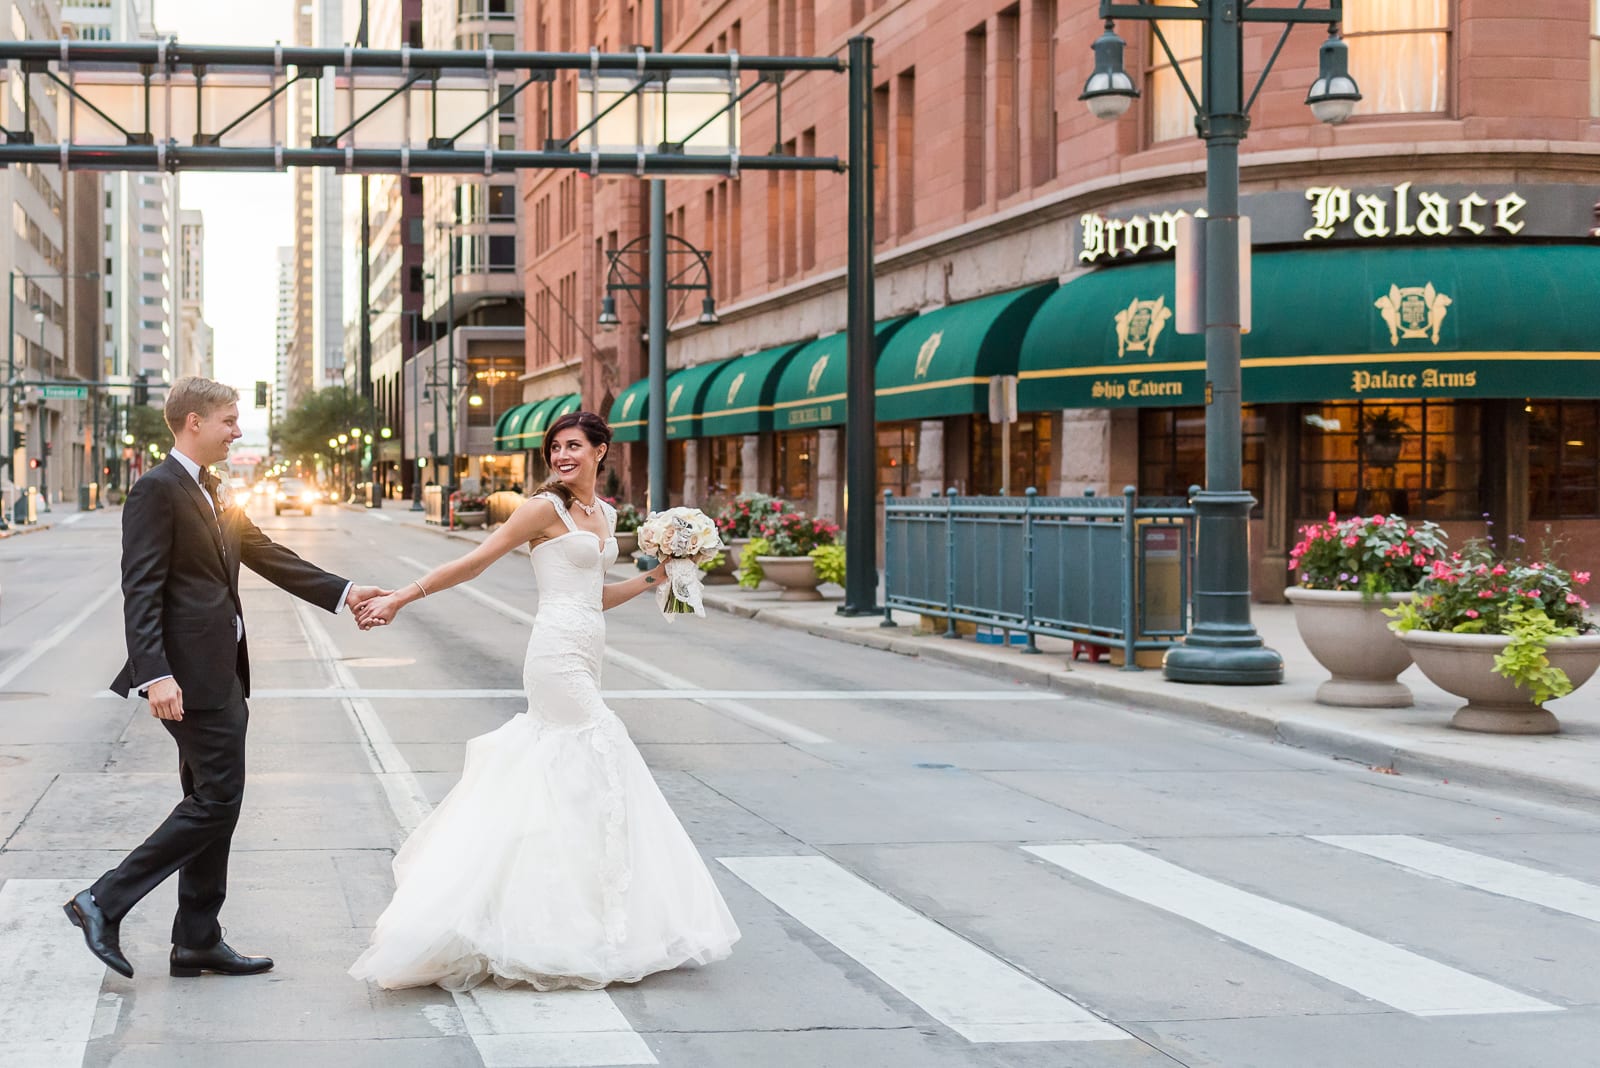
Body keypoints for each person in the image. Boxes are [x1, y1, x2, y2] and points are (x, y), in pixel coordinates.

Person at [348, 411, 740, 991]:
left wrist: (663, 575)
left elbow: (594, 597)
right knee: (602, 745)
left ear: (601, 451)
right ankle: (571, 918)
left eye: (574, 446)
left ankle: (565, 906)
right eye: (556, 447)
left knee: (565, 774)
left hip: (588, 646)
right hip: (554, 655)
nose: (562, 456)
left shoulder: (604, 515)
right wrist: (402, 597)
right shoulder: (542, 509)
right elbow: (475, 561)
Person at [66, 376, 387, 980]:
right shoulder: (156, 491)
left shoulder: (213, 489)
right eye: (229, 421)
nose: (238, 431)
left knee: (212, 801)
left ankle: (196, 939)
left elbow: (266, 553)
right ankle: (102, 901)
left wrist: (345, 593)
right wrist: (155, 672)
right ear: (194, 422)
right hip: (186, 678)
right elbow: (141, 588)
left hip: (221, 675)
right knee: (217, 800)